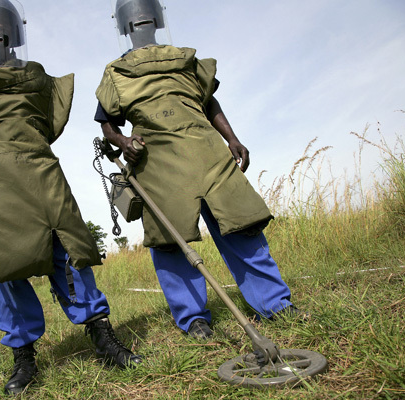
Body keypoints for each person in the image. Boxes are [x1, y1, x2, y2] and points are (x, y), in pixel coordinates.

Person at [0, 0, 142, 395]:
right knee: (8, 265)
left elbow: (50, 126)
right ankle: (24, 357)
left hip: (40, 170)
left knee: (67, 250)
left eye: (1, 23)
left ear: (15, 29)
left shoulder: (39, 78)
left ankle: (102, 336)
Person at [95, 0, 303, 341]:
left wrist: (232, 139)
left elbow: (209, 102)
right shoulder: (116, 73)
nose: (140, 25)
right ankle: (194, 320)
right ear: (126, 27)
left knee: (241, 226)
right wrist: (124, 141)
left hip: (209, 155)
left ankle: (275, 304)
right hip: (159, 166)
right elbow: (107, 123)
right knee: (171, 241)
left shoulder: (186, 61)